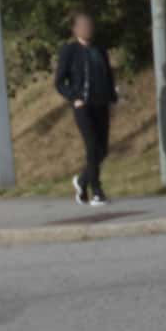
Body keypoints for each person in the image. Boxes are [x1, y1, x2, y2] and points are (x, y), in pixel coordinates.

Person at [53, 12, 118, 206]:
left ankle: (82, 181)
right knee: (91, 146)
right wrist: (74, 97)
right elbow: (59, 82)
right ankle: (96, 191)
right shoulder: (70, 51)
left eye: (89, 25)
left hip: (101, 103)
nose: (86, 28)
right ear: (75, 30)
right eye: (82, 25)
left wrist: (112, 97)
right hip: (83, 106)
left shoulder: (99, 50)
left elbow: (108, 75)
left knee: (102, 149)